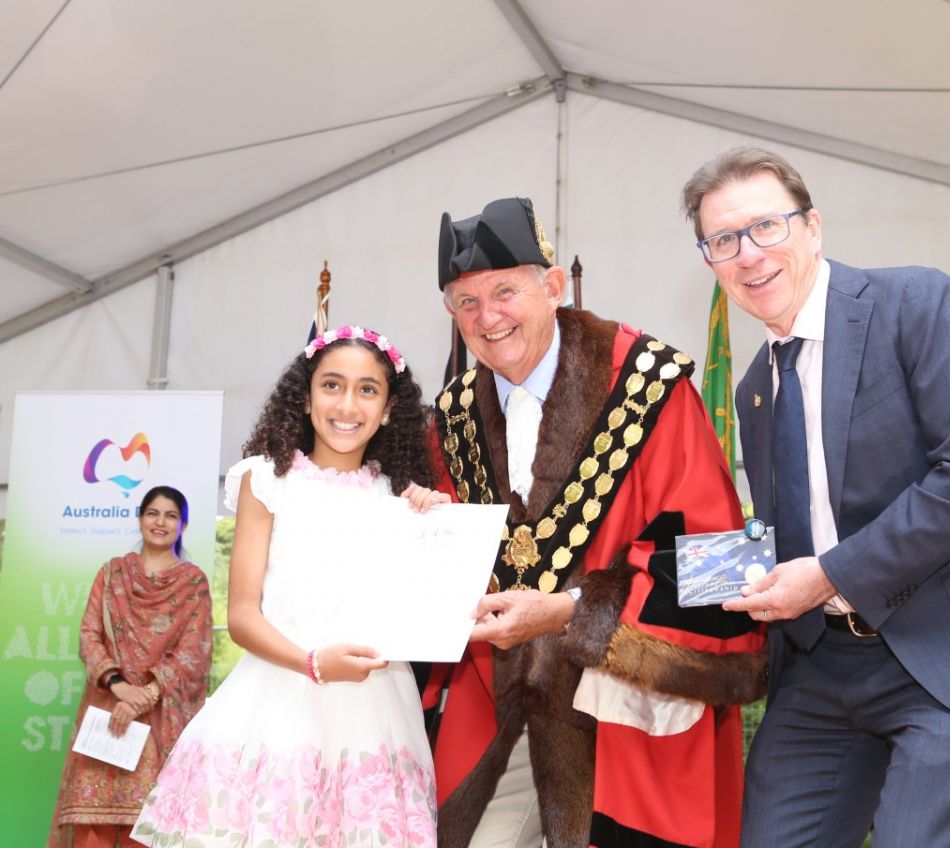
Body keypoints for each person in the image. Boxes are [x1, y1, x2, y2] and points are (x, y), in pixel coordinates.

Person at [680, 147, 950, 848]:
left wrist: (828, 575)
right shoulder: (754, 391)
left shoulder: (913, 302)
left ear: (813, 228)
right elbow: (790, 536)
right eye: (723, 240)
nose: (749, 254)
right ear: (709, 261)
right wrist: (622, 588)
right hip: (824, 666)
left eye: (767, 226)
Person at [425, 196, 766, 848]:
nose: (487, 317)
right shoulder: (453, 419)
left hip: (628, 716)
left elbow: (723, 563)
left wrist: (570, 612)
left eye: (504, 292)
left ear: (553, 286)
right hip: (500, 713)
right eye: (465, 302)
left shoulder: (650, 383)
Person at [131, 325, 448, 847]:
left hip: (377, 715)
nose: (348, 404)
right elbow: (242, 616)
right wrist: (314, 663)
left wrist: (438, 528)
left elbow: (425, 612)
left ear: (390, 409)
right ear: (304, 397)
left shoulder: (400, 497)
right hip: (279, 702)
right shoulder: (266, 481)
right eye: (332, 385)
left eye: (368, 389)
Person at [48, 486, 212, 848]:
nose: (160, 522)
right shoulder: (111, 574)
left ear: (183, 525)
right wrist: (120, 686)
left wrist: (146, 695)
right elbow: (89, 635)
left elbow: (195, 650)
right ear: (140, 519)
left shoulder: (192, 582)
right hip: (108, 710)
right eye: (153, 513)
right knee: (94, 829)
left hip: (161, 719)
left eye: (171, 515)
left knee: (148, 827)